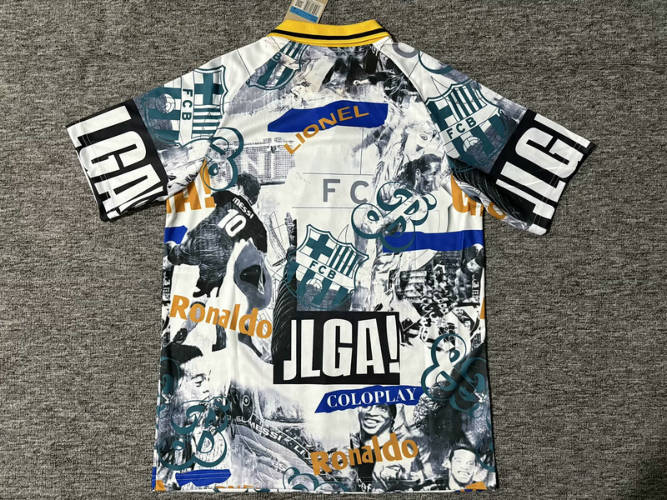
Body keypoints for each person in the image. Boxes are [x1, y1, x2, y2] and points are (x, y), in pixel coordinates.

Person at [164, 172, 269, 355]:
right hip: (220, 256)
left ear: (240, 188)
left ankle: (167, 269)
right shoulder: (258, 225)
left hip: (201, 238)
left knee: (173, 250)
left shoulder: (227, 196)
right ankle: (186, 328)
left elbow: (203, 200)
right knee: (203, 297)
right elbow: (261, 256)